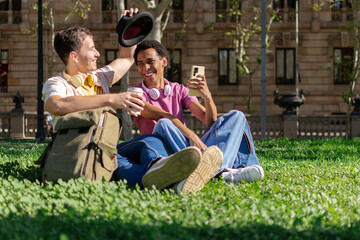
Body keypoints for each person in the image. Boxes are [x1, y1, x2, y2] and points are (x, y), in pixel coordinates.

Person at [41, 8, 222, 194]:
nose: (97, 54)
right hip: (76, 151)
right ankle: (169, 176)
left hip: (105, 150)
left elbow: (126, 57)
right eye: (91, 49)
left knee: (147, 142)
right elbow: (57, 105)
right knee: (123, 160)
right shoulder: (56, 83)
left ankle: (163, 172)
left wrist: (130, 25)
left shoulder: (99, 77)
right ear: (74, 56)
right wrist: (112, 99)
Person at [131, 40, 264, 184]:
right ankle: (221, 171)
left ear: (164, 62)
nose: (145, 68)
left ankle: (217, 170)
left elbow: (209, 121)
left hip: (192, 148)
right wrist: (191, 135)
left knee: (236, 116)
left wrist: (207, 97)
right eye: (140, 64)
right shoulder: (135, 93)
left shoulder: (179, 89)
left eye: (150, 62)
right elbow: (162, 115)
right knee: (163, 124)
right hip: (170, 154)